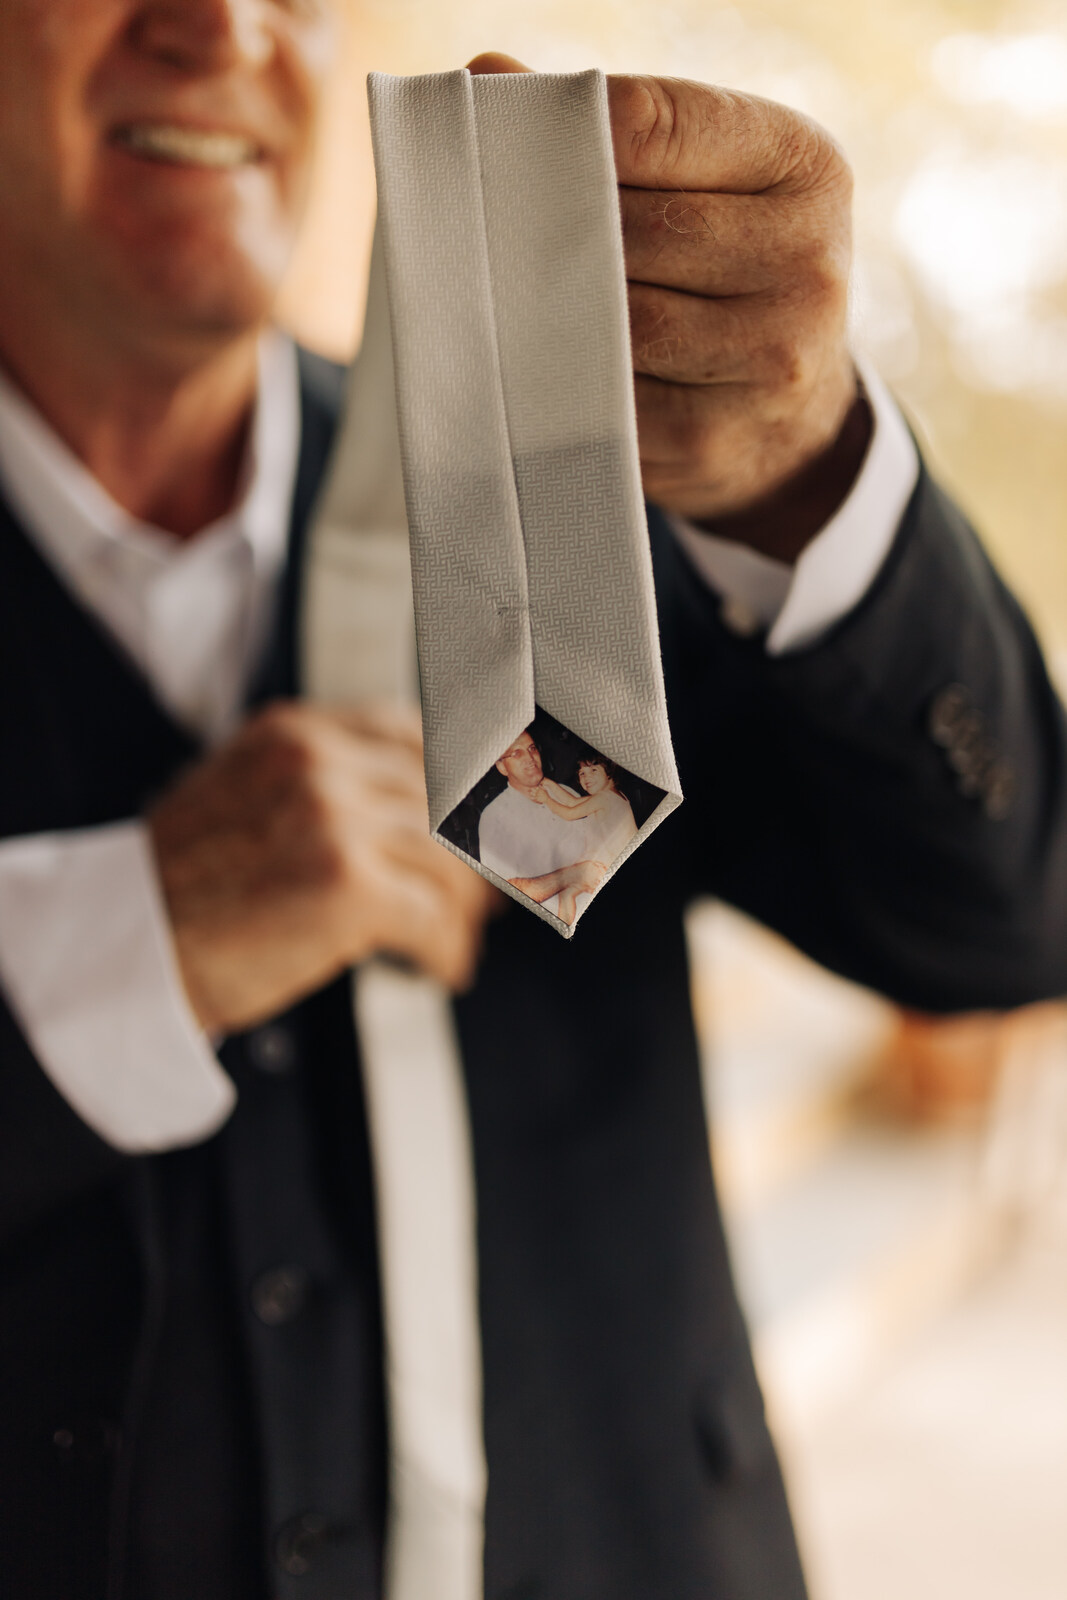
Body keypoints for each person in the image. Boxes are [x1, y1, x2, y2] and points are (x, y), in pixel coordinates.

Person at [0, 5, 1065, 1598]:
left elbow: (1004, 922)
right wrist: (116, 946)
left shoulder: (567, 490)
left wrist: (804, 484)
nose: (218, 26)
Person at [478, 729, 608, 921]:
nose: (530, 758)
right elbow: (504, 891)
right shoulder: (494, 817)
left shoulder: (563, 791)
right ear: (502, 767)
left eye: (532, 749)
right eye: (517, 753)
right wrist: (569, 876)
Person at [532, 756, 638, 924]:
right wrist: (548, 783)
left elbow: (569, 813)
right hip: (613, 867)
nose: (586, 777)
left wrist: (547, 799)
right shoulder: (614, 795)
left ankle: (563, 925)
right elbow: (572, 801)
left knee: (565, 886)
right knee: (567, 893)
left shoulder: (604, 798)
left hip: (608, 869)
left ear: (610, 773)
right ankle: (565, 924)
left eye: (593, 770)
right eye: (581, 773)